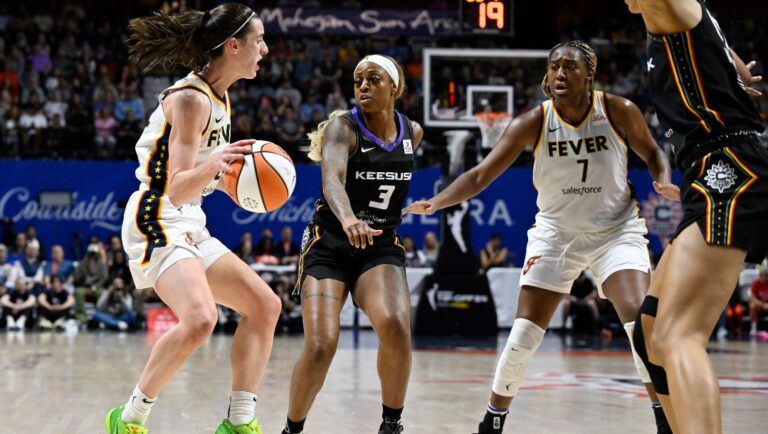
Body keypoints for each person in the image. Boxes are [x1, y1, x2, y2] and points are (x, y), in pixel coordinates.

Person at [403, 41, 677, 434]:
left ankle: (662, 415)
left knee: (639, 325)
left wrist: (663, 180)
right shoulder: (532, 121)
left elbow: (653, 153)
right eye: (554, 67)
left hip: (614, 231)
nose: (560, 74)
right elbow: (481, 175)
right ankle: (493, 420)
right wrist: (437, 202)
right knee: (524, 334)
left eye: (569, 67)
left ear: (589, 73)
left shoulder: (618, 110)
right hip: (555, 235)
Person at [105, 4, 281, 434]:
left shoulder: (220, 97)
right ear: (234, 45)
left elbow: (197, 181)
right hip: (156, 215)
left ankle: (239, 423)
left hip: (187, 218)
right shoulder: (190, 100)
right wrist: (217, 163)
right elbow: (176, 186)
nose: (265, 48)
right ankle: (128, 420)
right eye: (258, 40)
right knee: (202, 319)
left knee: (265, 305)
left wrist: (230, 182)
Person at [625, 1, 768, 433]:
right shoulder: (686, 21)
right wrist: (733, 66)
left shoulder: (667, 10)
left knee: (677, 334)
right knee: (649, 335)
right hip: (706, 174)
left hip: (727, 167)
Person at [282, 54, 423, 434]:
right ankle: (292, 429)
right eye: (358, 79)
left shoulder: (414, 133)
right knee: (321, 346)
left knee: (395, 325)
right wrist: (347, 219)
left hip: (379, 246)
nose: (363, 86)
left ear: (394, 87)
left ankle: (391, 425)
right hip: (329, 243)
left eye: (373, 79)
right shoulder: (343, 128)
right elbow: (332, 180)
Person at [749, 266, 768, 337]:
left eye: (763, 275)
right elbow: (752, 297)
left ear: (766, 276)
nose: (761, 277)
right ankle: (753, 328)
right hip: (758, 304)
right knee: (752, 305)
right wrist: (761, 304)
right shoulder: (755, 283)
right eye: (760, 275)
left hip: (766, 304)